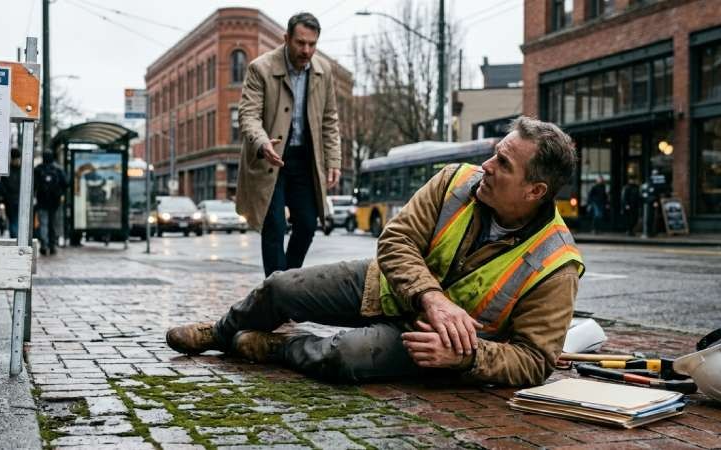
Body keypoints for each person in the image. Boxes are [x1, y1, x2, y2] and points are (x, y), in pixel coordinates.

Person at [167, 116, 584, 387]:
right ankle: (220, 334)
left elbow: (534, 359)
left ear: (535, 191)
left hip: (428, 342)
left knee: (344, 356)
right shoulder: (455, 182)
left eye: (504, 163)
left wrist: (467, 356)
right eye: (495, 152)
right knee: (280, 286)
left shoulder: (556, 263)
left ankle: (275, 348)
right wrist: (432, 297)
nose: (488, 165)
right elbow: (396, 240)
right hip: (381, 285)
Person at [235, 12, 342, 277]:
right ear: (286, 39)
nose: (307, 50)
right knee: (274, 226)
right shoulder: (260, 68)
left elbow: (330, 119)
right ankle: (277, 292)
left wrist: (334, 161)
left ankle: (287, 288)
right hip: (270, 158)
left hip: (305, 160)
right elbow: (248, 115)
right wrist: (262, 143)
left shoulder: (323, 70)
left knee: (307, 224)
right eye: (300, 43)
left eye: (312, 44)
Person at [34, 150, 68, 255]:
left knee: (43, 223)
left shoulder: (38, 169)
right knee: (53, 223)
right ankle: (52, 245)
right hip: (55, 202)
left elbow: (33, 184)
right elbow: (66, 183)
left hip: (42, 201)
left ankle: (44, 244)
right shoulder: (58, 169)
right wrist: (60, 193)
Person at [0, 149, 22, 238]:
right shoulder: (18, 171)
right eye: (16, 159)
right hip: (11, 201)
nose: (17, 161)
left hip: (16, 200)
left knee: (15, 221)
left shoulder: (10, 170)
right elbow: (3, 186)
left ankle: (16, 240)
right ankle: (16, 239)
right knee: (14, 221)